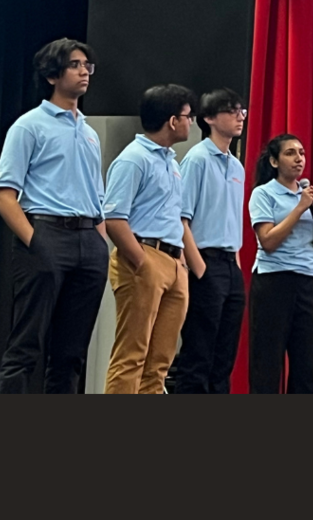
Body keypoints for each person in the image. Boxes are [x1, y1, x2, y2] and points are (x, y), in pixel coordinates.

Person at [0, 39, 109, 393]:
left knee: (72, 352)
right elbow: (3, 195)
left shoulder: (88, 132)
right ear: (52, 75)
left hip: (88, 240)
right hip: (46, 232)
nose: (84, 71)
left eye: (87, 65)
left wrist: (100, 245)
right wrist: (35, 241)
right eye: (75, 65)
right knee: (27, 344)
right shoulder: (29, 126)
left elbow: (97, 197)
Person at [102, 85, 195, 394]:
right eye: (187, 116)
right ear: (172, 121)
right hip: (144, 256)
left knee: (160, 361)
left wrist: (180, 263)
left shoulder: (171, 161)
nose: (190, 122)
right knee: (132, 355)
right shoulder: (134, 159)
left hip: (173, 261)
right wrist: (142, 262)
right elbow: (114, 219)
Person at [169, 89, 247, 394]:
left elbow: (232, 222)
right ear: (209, 118)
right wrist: (198, 267)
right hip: (205, 262)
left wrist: (236, 266)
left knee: (224, 357)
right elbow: (180, 217)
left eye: (242, 110)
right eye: (232, 110)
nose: (240, 117)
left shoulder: (237, 166)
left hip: (231, 265)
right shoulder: (197, 159)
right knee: (198, 353)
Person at [248, 134, 313, 393]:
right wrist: (299, 208)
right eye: (290, 153)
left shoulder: (308, 194)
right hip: (273, 280)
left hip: (307, 281)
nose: (299, 159)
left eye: (302, 153)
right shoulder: (263, 194)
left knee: (306, 365)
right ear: (274, 161)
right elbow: (268, 242)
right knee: (267, 364)